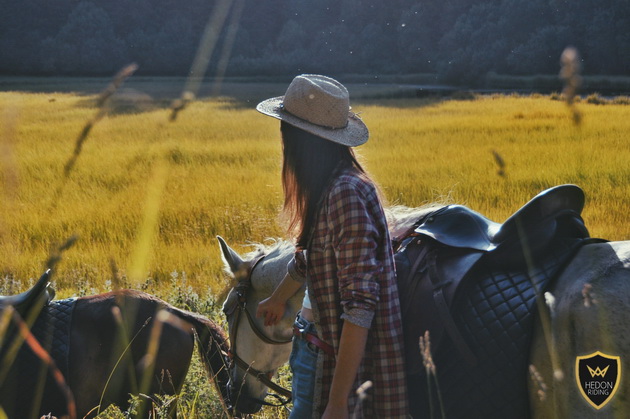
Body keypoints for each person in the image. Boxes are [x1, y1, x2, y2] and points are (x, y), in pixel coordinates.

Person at [255, 74, 408, 418]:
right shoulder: (332, 186)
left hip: (327, 358)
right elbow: (313, 257)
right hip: (312, 346)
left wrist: (338, 403)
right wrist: (278, 297)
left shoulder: (344, 193)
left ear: (300, 143)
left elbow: (360, 305)